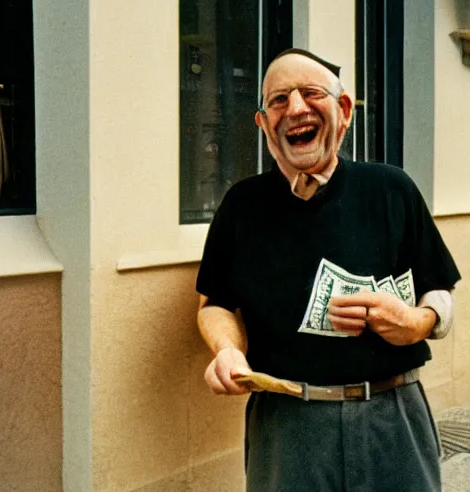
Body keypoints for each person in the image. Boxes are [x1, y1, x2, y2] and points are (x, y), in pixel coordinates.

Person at [196, 48, 461, 492]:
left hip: (394, 416)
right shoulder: (242, 205)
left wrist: (416, 322)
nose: (295, 108)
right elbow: (214, 302)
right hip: (286, 427)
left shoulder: (392, 188)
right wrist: (226, 350)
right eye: (278, 100)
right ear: (263, 125)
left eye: (310, 93)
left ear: (342, 110)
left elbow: (440, 291)